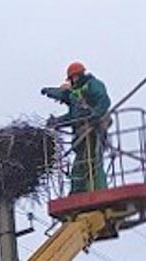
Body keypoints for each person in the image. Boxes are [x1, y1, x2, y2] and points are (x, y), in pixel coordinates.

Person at [41, 62, 111, 194]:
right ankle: (77, 193)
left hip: (93, 132)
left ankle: (100, 191)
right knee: (80, 166)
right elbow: (73, 117)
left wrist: (95, 115)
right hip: (82, 135)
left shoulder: (92, 85)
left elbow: (104, 102)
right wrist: (57, 121)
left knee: (94, 163)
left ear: (75, 77)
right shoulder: (76, 96)